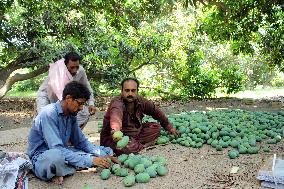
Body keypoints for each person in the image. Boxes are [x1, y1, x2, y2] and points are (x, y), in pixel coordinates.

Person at [27, 81, 117, 185]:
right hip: (42, 156)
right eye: (80, 103)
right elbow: (56, 148)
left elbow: (81, 142)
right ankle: (59, 168)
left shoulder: (71, 115)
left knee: (103, 151)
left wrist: (101, 155)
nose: (81, 108)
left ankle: (64, 169)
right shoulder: (48, 114)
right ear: (69, 99)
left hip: (63, 151)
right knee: (56, 157)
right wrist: (91, 160)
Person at [100, 78, 179, 155]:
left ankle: (136, 144)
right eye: (127, 90)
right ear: (122, 91)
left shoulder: (140, 101)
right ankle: (142, 145)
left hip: (136, 133)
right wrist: (116, 131)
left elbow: (155, 111)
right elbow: (115, 116)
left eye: (133, 90)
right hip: (116, 138)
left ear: (137, 91)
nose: (130, 94)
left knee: (156, 127)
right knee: (125, 147)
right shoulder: (117, 103)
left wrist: (169, 126)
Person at [36, 52, 96, 129]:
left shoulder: (80, 71)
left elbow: (87, 87)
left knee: (84, 114)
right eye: (72, 67)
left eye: (77, 67)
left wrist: (91, 103)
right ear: (65, 65)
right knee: (45, 120)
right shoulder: (58, 71)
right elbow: (57, 95)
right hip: (47, 96)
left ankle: (72, 136)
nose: (75, 70)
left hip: (65, 100)